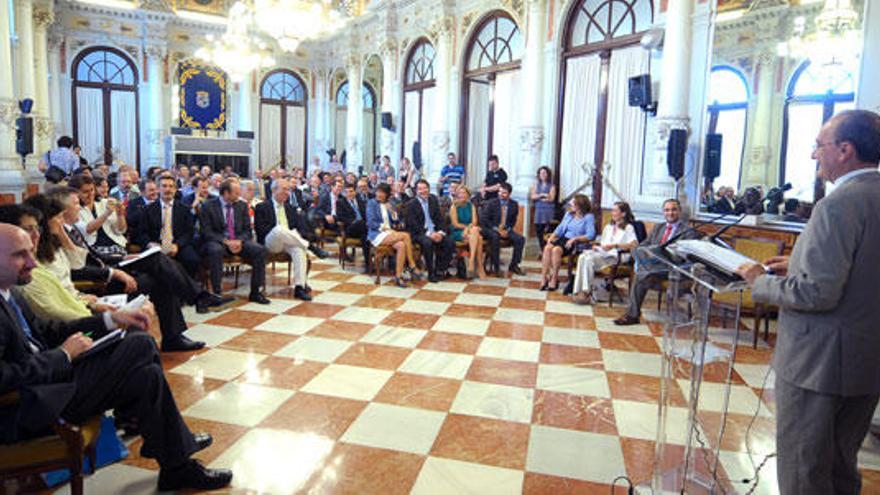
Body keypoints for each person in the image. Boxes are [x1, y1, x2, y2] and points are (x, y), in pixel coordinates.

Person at [0, 224, 233, 491]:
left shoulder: (10, 292)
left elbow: (48, 330)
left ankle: (175, 465)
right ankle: (153, 430)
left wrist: (111, 320)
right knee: (140, 345)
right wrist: (62, 355)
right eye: (19, 255)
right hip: (31, 406)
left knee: (146, 374)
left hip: (52, 383)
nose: (32, 262)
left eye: (31, 252)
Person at [735, 110, 880, 495]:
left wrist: (760, 282)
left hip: (819, 364)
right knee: (841, 468)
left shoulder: (837, 204)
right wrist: (797, 263)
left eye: (820, 145)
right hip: (866, 361)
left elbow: (816, 293)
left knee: (805, 473)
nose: (814, 154)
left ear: (845, 150)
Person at [614, 198, 699, 325]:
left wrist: (665, 254)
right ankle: (633, 314)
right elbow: (644, 244)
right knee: (641, 273)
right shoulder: (658, 227)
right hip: (654, 266)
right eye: (667, 210)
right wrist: (643, 252)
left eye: (674, 210)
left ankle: (632, 314)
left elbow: (685, 256)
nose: (670, 213)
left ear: (679, 211)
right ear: (663, 212)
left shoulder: (688, 231)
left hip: (674, 268)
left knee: (642, 274)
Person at [199, 178, 270, 304]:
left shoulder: (241, 206)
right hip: (219, 241)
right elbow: (206, 232)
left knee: (260, 250)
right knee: (215, 250)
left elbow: (247, 230)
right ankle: (217, 293)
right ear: (226, 193)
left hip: (238, 241)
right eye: (236, 193)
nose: (239, 196)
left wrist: (239, 241)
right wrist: (226, 241)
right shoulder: (208, 206)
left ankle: (255, 292)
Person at [136, 174, 204, 281]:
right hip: (156, 246)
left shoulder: (184, 209)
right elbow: (140, 233)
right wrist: (149, 243)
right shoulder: (147, 210)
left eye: (171, 186)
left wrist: (177, 245)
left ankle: (186, 292)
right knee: (152, 264)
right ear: (158, 189)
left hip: (178, 245)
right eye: (164, 186)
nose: (168, 189)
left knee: (192, 259)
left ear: (176, 189)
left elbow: (189, 232)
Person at [254, 179, 312, 301]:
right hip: (270, 242)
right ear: (274, 190)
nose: (288, 192)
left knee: (299, 249)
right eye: (284, 189)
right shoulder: (261, 207)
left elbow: (296, 227)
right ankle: (310, 246)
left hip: (288, 242)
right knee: (278, 229)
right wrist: (282, 233)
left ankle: (299, 287)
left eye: (288, 189)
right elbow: (260, 230)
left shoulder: (290, 208)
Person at [571, 201, 638, 304]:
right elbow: (603, 243)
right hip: (604, 253)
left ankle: (586, 292)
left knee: (589, 259)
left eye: (615, 210)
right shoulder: (609, 227)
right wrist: (597, 247)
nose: (612, 213)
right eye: (613, 210)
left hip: (618, 255)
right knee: (582, 256)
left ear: (623, 213)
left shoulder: (628, 228)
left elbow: (634, 245)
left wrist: (615, 246)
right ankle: (579, 290)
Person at [366, 183, 421, 287]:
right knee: (406, 236)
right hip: (377, 233)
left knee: (401, 245)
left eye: (382, 192)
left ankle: (398, 276)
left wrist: (391, 211)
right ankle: (412, 265)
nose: (379, 194)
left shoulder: (390, 203)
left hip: (389, 233)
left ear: (387, 194)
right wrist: (384, 228)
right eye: (378, 191)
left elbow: (396, 222)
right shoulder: (371, 203)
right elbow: (370, 222)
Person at [539, 194, 596, 291]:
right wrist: (551, 237)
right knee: (547, 248)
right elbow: (560, 228)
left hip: (576, 242)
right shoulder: (569, 214)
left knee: (556, 250)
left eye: (573, 204)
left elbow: (591, 235)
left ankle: (554, 279)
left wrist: (575, 239)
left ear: (579, 205)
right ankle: (544, 278)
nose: (570, 205)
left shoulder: (588, 217)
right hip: (564, 238)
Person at [404, 180, 454, 283]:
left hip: (434, 230)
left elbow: (439, 219)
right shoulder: (411, 204)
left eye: (425, 188)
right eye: (420, 189)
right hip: (418, 233)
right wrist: (429, 234)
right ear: (416, 191)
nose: (423, 191)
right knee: (428, 242)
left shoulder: (433, 199)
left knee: (449, 241)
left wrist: (440, 232)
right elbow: (413, 224)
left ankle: (440, 270)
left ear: (429, 189)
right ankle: (431, 273)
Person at [70, 174, 128, 261]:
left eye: (92, 190)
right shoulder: (73, 209)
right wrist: (107, 213)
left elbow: (120, 231)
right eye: (85, 192)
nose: (91, 194)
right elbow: (87, 230)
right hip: (93, 248)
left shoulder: (105, 203)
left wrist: (120, 215)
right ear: (75, 193)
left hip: (115, 244)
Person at [479, 182, 525, 276]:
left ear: (509, 194)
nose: (501, 194)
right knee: (495, 237)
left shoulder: (514, 204)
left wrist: (507, 230)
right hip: (490, 228)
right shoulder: (491, 203)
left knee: (520, 239)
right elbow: (484, 219)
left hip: (506, 229)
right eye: (499, 192)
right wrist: (496, 229)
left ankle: (514, 265)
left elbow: (513, 221)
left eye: (504, 192)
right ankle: (496, 266)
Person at [449, 186, 487, 279]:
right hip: (457, 232)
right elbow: (456, 224)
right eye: (460, 193)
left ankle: (471, 261)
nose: (462, 195)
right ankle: (479, 267)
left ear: (468, 195)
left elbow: (474, 222)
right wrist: (467, 228)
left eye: (464, 193)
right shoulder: (454, 207)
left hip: (470, 231)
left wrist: (468, 229)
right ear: (457, 195)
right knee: (479, 237)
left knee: (476, 233)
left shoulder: (471, 205)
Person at [337, 183, 371, 270]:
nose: (349, 193)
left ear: (355, 192)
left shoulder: (360, 201)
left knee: (365, 237)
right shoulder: (340, 202)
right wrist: (353, 222)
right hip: (350, 228)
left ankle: (368, 264)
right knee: (362, 224)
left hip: (362, 229)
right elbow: (340, 217)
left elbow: (366, 215)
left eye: (351, 191)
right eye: (347, 192)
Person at [530, 166, 556, 251]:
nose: (543, 175)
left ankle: (547, 250)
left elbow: (551, 198)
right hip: (539, 211)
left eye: (545, 173)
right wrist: (542, 195)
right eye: (541, 173)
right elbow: (533, 196)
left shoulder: (552, 186)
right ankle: (542, 250)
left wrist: (542, 197)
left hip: (548, 210)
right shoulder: (535, 185)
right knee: (539, 231)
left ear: (548, 174)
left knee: (548, 231)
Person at [125, 179, 158, 243]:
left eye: (156, 189)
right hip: (140, 236)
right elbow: (129, 221)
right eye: (151, 190)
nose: (155, 192)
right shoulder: (133, 203)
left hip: (158, 236)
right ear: (142, 192)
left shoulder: (160, 202)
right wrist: (146, 207)